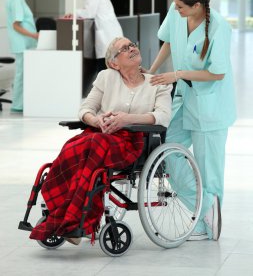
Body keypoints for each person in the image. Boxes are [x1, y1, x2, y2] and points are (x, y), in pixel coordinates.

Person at [29, 37, 172, 245]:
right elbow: (85, 109)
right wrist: (96, 120)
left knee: (91, 145)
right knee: (74, 145)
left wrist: (126, 119)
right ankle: (70, 218)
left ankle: (75, 220)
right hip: (99, 134)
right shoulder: (106, 77)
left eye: (132, 45)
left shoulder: (157, 83)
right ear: (114, 63)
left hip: (131, 141)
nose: (132, 48)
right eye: (125, 48)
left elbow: (163, 116)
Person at [148, 0, 236, 241]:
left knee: (210, 171)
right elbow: (169, 42)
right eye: (174, 5)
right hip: (184, 101)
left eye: (181, 7)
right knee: (166, 152)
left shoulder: (219, 28)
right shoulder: (177, 15)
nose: (176, 10)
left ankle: (209, 226)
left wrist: (178, 74)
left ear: (197, 5)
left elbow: (217, 74)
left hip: (210, 106)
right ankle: (204, 209)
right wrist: (150, 75)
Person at [65, 0, 123, 72]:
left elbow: (89, 13)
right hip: (106, 34)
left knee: (107, 69)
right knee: (106, 69)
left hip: (107, 34)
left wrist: (75, 12)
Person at [6, 0, 39, 113]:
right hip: (21, 43)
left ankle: (20, 103)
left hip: (24, 43)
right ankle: (17, 105)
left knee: (23, 74)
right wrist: (33, 35)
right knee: (21, 75)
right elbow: (16, 25)